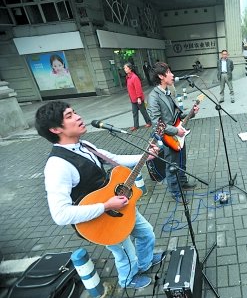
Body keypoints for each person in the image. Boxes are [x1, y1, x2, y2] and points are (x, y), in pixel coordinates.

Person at [35, 101, 164, 290]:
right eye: (69, 116)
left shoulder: (84, 145)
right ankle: (127, 279)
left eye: (75, 112)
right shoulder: (57, 166)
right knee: (124, 252)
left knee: (146, 234)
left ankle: (144, 263)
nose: (78, 117)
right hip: (99, 220)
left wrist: (146, 156)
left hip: (118, 204)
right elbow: (60, 215)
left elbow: (114, 159)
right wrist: (105, 206)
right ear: (55, 129)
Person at [147, 62, 198, 201]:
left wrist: (191, 113)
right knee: (172, 165)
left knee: (182, 160)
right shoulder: (154, 97)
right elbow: (157, 124)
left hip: (177, 133)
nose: (172, 74)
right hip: (169, 136)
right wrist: (175, 130)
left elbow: (178, 115)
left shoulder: (168, 92)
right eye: (169, 72)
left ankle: (183, 182)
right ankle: (176, 192)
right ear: (161, 76)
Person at [124, 62, 152, 132]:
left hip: (138, 99)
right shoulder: (128, 77)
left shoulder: (134, 77)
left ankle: (149, 122)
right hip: (133, 99)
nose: (124, 69)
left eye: (126, 68)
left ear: (130, 69)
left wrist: (139, 97)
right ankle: (136, 126)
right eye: (124, 68)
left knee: (143, 111)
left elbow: (138, 88)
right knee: (134, 112)